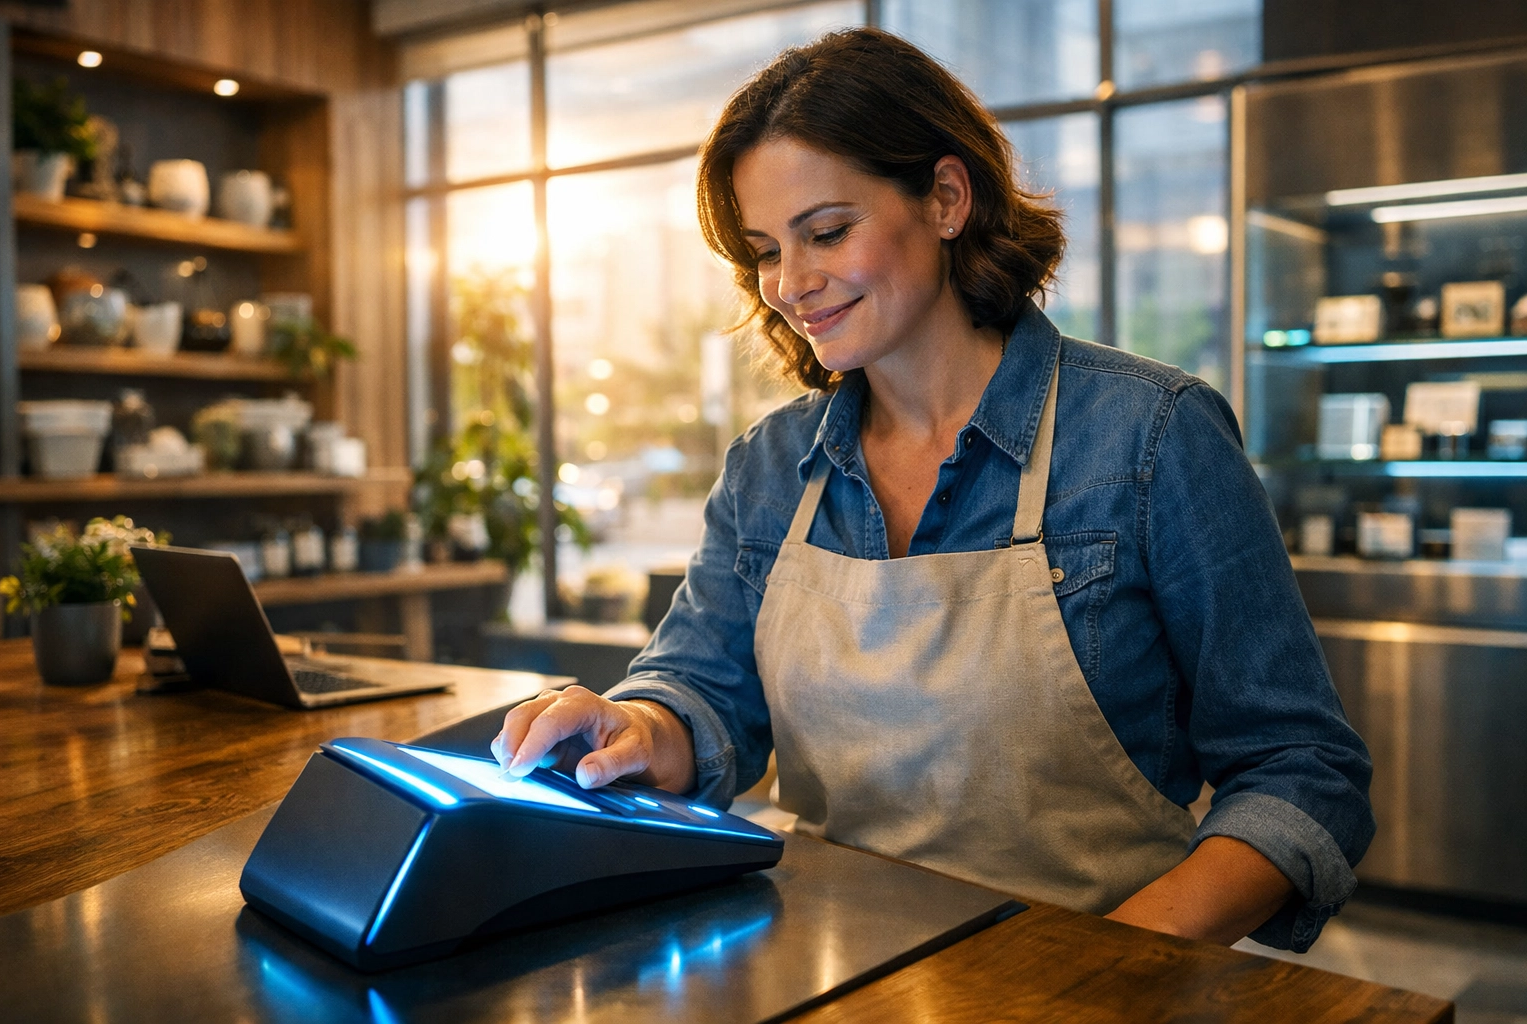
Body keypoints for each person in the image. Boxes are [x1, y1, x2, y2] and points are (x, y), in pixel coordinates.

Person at [493, 27, 1373, 952]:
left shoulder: (1151, 436)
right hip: (834, 974)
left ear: (948, 198)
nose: (790, 284)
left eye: (828, 231)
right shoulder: (767, 468)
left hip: (1099, 988)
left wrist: (1116, 967)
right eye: (764, 250)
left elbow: (1301, 769)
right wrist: (635, 725)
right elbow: (705, 694)